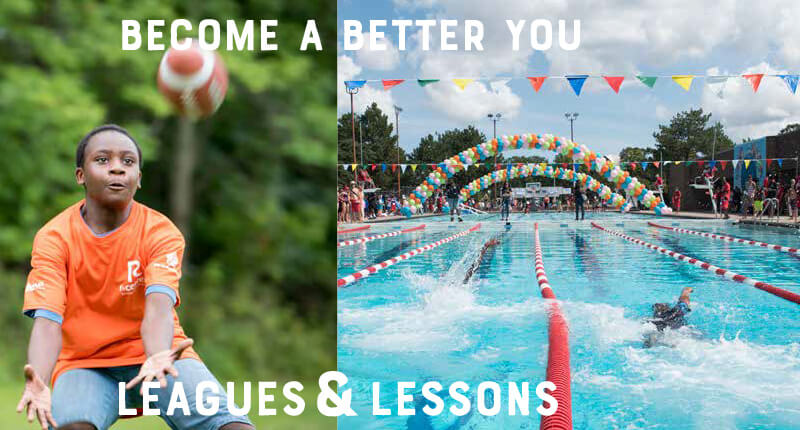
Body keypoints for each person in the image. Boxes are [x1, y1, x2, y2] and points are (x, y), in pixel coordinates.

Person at [16, 125, 253, 430]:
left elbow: (158, 307)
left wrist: (156, 356)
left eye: (128, 162)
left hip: (160, 358)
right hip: (86, 365)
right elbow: (48, 321)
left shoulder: (160, 232)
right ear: (80, 175)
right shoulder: (54, 238)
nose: (117, 167)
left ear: (138, 179)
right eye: (102, 160)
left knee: (233, 427)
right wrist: (40, 378)